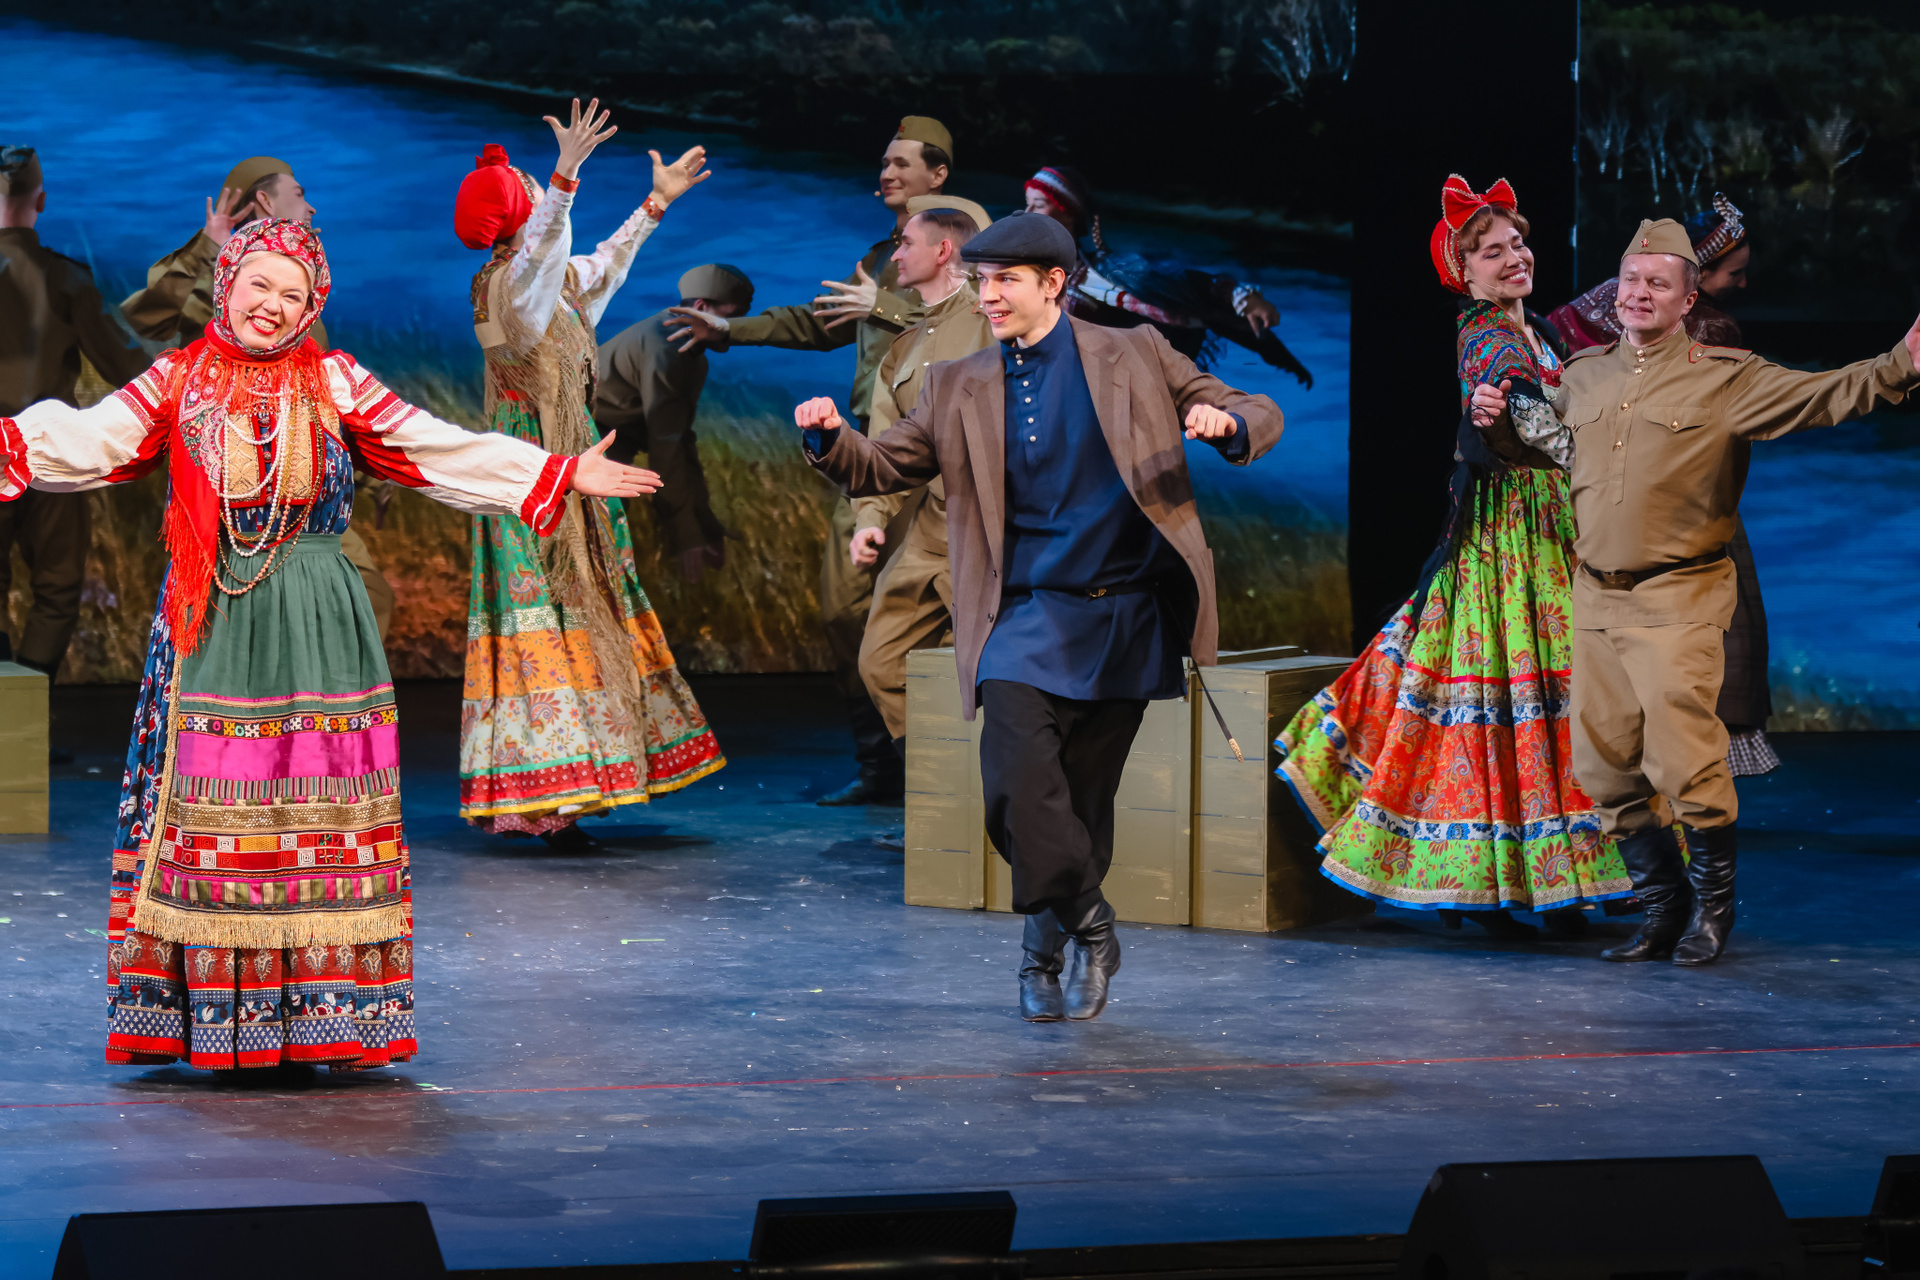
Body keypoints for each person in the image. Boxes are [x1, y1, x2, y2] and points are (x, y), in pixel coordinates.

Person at [0, 217, 662, 1071]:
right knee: (219, 817)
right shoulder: (182, 378)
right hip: (217, 620)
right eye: (259, 285)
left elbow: (434, 448)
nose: (272, 306)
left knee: (320, 818)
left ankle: (324, 1019)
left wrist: (558, 471)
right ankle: (224, 1021)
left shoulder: (336, 382)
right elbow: (87, 438)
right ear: (228, 284)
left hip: (319, 621)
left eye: (293, 294)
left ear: (312, 307)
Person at [793, 213, 1283, 1022]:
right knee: (1016, 790)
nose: (988, 296)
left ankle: (1042, 955)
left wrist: (1227, 424)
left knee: (1080, 806)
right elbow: (881, 464)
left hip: (1123, 617)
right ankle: (1093, 926)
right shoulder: (958, 383)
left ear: (1054, 284)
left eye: (1006, 281)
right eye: (981, 281)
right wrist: (830, 440)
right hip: (1022, 617)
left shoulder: (1134, 352)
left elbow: (1251, 406)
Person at [1470, 218, 1920, 966]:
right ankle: (1664, 907)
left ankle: (1713, 909)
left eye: (1658, 284)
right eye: (1631, 280)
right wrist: (1499, 429)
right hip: (1597, 598)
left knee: (1685, 764)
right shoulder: (1584, 374)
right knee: (1602, 770)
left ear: (1687, 301)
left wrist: (1900, 364)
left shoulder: (1726, 378)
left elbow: (1823, 396)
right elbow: (1551, 451)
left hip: (1679, 596)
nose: (1639, 293)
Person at [1277, 176, 1631, 939]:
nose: (1515, 257)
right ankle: (1494, 879)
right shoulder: (1485, 335)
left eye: (1518, 243)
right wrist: (1576, 451)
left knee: (1542, 702)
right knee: (1503, 700)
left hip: (1548, 530)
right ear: (1463, 273)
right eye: (1492, 252)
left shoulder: (1537, 331)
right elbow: (1519, 418)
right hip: (1508, 541)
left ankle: (1557, 877)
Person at [456, 102, 724, 851]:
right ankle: (548, 793)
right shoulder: (510, 287)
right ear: (517, 213)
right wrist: (565, 176)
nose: (537, 197)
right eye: (527, 192)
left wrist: (655, 206)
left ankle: (580, 779)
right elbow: (546, 250)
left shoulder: (548, 286)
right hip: (532, 473)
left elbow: (599, 264)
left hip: (574, 462)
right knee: (544, 612)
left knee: (587, 605)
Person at [668, 116, 955, 807]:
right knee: (844, 607)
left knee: (940, 612)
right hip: (872, 454)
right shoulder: (881, 257)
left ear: (939, 175)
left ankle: (943, 771)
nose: (887, 173)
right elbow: (818, 320)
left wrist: (885, 309)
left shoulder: (966, 249)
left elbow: (978, 324)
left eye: (903, 163)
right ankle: (884, 762)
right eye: (883, 162)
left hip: (941, 460)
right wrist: (728, 328)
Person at [120, 155, 400, 640]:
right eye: (299, 194)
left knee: (361, 596)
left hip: (301, 485)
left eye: (289, 296)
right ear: (266, 201)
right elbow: (146, 316)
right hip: (236, 491)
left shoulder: (298, 295)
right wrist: (206, 247)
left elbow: (319, 403)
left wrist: (366, 475)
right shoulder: (225, 286)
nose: (311, 208)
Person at [1545, 195, 1777, 776]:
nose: (1742, 284)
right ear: (1699, 279)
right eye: (1734, 272)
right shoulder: (1708, 330)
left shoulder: (1597, 316)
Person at [0, 146, 152, 685]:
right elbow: (127, 367)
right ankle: (27, 703)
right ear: (41, 200)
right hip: (52, 459)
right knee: (57, 587)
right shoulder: (68, 279)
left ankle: (4, 712)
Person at [852, 197, 995, 748]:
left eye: (906, 243)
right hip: (932, 530)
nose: (896, 254)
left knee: (990, 670)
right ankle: (942, 776)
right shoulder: (906, 347)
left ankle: (990, 785)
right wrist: (871, 518)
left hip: (989, 530)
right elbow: (885, 448)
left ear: (943, 251)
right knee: (882, 663)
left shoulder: (991, 323)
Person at [1022, 164, 1312, 388]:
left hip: (1109, 402)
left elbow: (1183, 284)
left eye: (1038, 204)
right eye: (1027, 204)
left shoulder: (1103, 274)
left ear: (1068, 213)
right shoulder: (1022, 272)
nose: (1028, 212)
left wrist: (1241, 297)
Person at [594, 262, 754, 583]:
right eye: (733, 316)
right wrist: (687, 536)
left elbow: (681, 441)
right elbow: (665, 449)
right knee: (604, 541)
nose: (736, 327)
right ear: (701, 308)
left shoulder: (688, 349)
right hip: (592, 442)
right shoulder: (668, 349)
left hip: (613, 440)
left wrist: (705, 522)